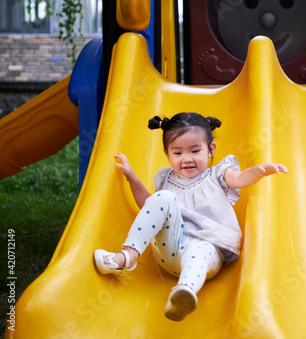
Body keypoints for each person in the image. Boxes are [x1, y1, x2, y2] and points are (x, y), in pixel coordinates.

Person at [93, 112, 288, 321]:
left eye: (195, 151)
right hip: (170, 249)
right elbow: (149, 207)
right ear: (167, 153)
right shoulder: (166, 178)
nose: (187, 159)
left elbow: (240, 179)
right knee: (163, 198)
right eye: (177, 153)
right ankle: (127, 257)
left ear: (210, 149)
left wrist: (258, 171)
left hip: (207, 250)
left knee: (199, 250)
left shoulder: (218, 175)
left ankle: (183, 293)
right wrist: (132, 178)